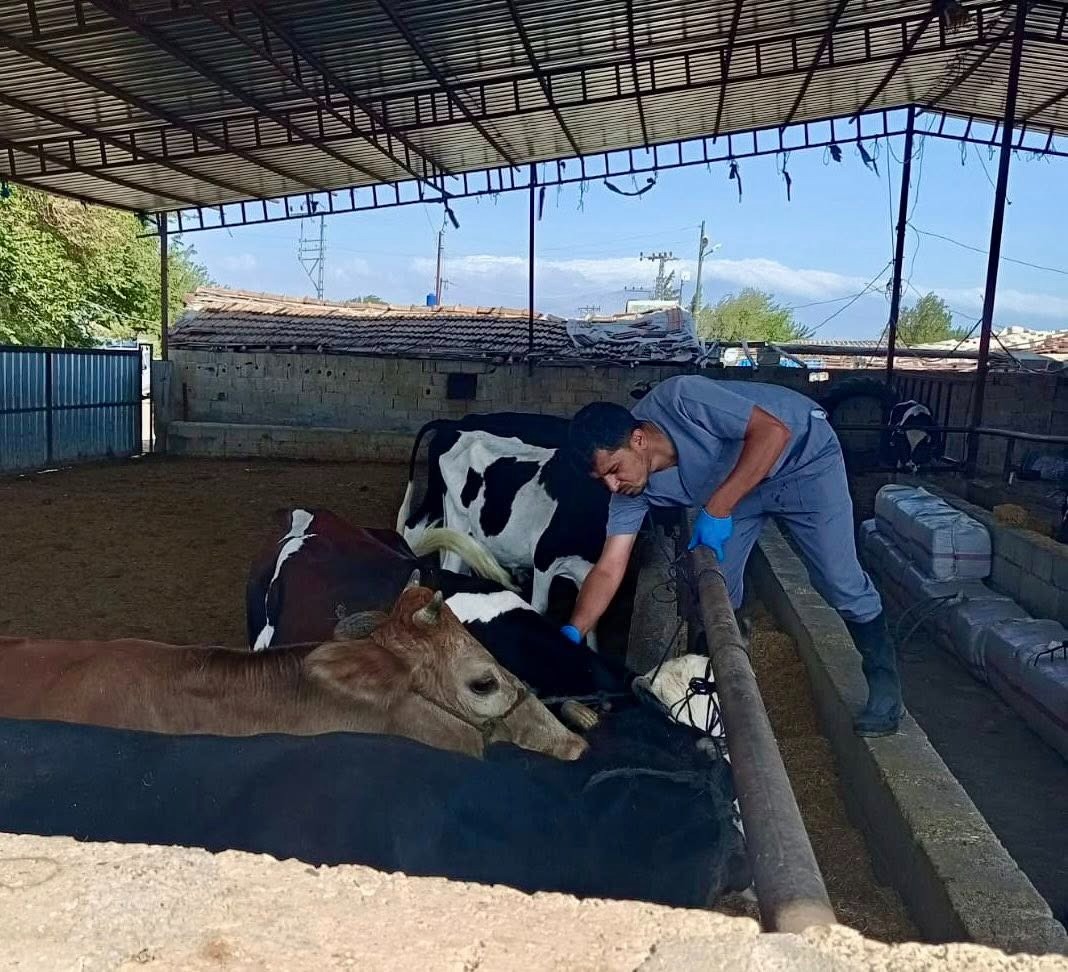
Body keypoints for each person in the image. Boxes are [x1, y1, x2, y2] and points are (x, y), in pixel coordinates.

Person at [560, 374, 902, 737]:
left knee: (838, 580)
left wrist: (719, 507)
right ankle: (714, 678)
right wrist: (572, 632)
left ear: (639, 439)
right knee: (714, 589)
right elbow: (610, 566)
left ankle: (884, 682)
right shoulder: (631, 490)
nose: (613, 486)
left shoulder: (681, 399)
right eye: (603, 480)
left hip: (804, 461)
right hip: (741, 488)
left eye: (614, 470)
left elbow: (773, 432)